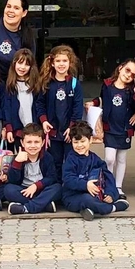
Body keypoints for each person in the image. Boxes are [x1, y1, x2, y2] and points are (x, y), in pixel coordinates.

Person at [34, 45, 83, 178]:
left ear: (70, 62)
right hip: (52, 131)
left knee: (70, 161)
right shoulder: (46, 83)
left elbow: (77, 108)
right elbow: (40, 104)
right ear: (52, 63)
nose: (61, 64)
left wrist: (72, 127)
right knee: (55, 162)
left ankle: (69, 186)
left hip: (68, 132)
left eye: (64, 61)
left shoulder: (74, 84)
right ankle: (56, 186)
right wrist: (44, 121)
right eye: (58, 61)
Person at [61, 123, 128, 220]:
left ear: (90, 140)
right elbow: (68, 179)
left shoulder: (95, 159)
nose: (79, 145)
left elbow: (108, 177)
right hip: (72, 197)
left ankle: (87, 210)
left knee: (93, 199)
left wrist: (110, 194)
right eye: (76, 142)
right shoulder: (70, 159)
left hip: (94, 195)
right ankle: (113, 208)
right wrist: (85, 185)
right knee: (86, 199)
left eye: (83, 141)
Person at [97, 59, 135, 199]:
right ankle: (108, 185)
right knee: (109, 158)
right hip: (110, 127)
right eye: (127, 70)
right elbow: (101, 99)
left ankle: (118, 187)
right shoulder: (107, 85)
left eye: (133, 75)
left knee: (121, 158)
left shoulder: (131, 90)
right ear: (121, 67)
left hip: (125, 129)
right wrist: (93, 102)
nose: (129, 75)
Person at [3, 124, 61, 216]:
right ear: (22, 143)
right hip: (24, 190)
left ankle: (26, 208)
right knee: (8, 189)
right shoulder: (19, 157)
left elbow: (52, 178)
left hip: (41, 189)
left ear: (42, 143)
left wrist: (36, 186)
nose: (33, 146)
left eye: (36, 142)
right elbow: (13, 181)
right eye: (29, 142)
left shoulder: (47, 157)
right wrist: (17, 163)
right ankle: (44, 205)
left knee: (57, 188)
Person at [2, 48, 39, 151]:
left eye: (27, 64)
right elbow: (6, 109)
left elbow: (40, 107)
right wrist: (9, 128)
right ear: (14, 63)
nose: (22, 67)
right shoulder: (9, 86)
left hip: (35, 131)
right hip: (17, 131)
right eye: (20, 63)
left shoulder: (36, 85)